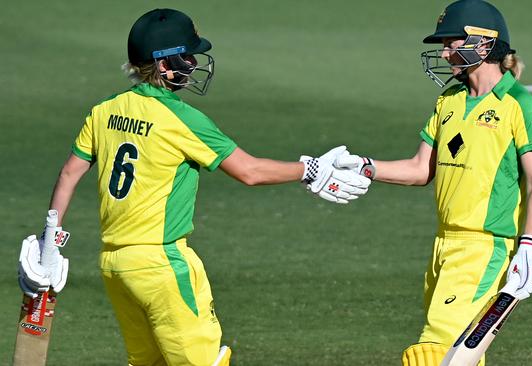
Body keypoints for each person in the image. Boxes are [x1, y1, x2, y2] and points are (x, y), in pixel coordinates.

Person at [16, 8, 371, 366]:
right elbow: (249, 171)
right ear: (164, 64)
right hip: (163, 264)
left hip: (114, 266)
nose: (193, 62)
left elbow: (68, 174)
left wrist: (50, 242)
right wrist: (309, 169)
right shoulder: (183, 119)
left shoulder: (104, 110)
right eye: (187, 55)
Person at [334, 0, 532, 364]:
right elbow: (421, 169)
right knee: (462, 356)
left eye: (452, 42)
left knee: (433, 354)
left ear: (483, 44)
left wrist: (528, 245)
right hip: (443, 245)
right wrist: (363, 166)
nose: (444, 52)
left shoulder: (520, 104)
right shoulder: (449, 100)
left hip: (485, 248)